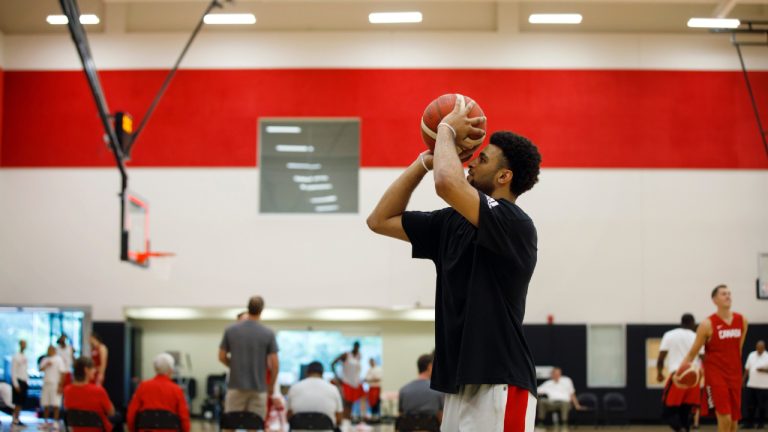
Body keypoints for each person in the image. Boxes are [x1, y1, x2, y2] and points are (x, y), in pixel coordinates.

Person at [367, 97, 541, 432]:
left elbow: (448, 184)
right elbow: (380, 219)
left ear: (504, 176)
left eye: (483, 159)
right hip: (459, 384)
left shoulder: (514, 223)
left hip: (502, 381)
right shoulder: (451, 222)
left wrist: (445, 130)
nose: (472, 163)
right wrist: (424, 161)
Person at [679, 284, 749, 432]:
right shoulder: (707, 324)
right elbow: (693, 353)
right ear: (714, 300)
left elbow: (739, 350)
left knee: (734, 422)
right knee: (725, 418)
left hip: (735, 375)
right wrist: (679, 372)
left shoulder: (742, 320)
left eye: (729, 293)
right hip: (716, 376)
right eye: (723, 294)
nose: (728, 296)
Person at [219, 295, 279, 422]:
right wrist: (271, 386)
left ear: (248, 308)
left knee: (231, 425)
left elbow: (222, 356)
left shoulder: (231, 330)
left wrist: (233, 365)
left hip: (235, 386)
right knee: (255, 425)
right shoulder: (268, 333)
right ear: (262, 310)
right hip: (259, 388)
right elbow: (275, 364)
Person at [657, 313, 701, 432]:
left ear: (681, 322)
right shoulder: (696, 336)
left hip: (678, 377)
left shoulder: (670, 335)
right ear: (692, 323)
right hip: (693, 379)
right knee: (685, 413)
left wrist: (659, 373)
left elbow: (661, 358)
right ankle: (684, 428)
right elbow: (703, 358)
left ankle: (680, 429)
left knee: (667, 413)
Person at [127, 353, 190, 432]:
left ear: (155, 369)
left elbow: (131, 415)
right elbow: (184, 418)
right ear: (171, 369)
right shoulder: (177, 390)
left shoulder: (143, 387)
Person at [63, 357, 115, 432]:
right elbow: (111, 412)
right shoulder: (98, 391)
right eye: (93, 368)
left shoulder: (67, 390)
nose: (95, 370)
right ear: (86, 370)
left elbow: (67, 410)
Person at [286, 361, 343, 429]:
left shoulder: (294, 388)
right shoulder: (333, 389)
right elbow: (339, 419)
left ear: (307, 372)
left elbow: (288, 417)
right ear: (322, 373)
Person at [398, 354, 444, 422]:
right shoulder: (437, 390)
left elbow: (401, 415)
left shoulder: (403, 390)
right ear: (430, 367)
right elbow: (441, 417)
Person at [331, 341, 364, 421]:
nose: (357, 348)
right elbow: (333, 364)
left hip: (355, 383)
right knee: (345, 404)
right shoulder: (346, 355)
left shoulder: (359, 356)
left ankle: (348, 421)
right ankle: (344, 421)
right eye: (356, 347)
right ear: (353, 346)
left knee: (351, 404)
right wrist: (337, 377)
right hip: (346, 382)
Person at [39, 345, 67, 429]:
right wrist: (46, 365)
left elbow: (63, 373)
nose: (49, 351)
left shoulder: (59, 359)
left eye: (50, 349)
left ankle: (55, 422)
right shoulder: (45, 359)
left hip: (55, 384)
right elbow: (40, 369)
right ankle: (45, 421)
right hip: (46, 383)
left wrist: (61, 385)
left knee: (56, 404)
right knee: (46, 404)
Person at [744, 340, 768, 429]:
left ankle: (761, 424)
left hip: (764, 386)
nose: (759, 349)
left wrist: (764, 370)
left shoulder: (767, 356)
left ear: (764, 347)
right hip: (751, 384)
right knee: (750, 405)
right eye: (758, 348)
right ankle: (749, 423)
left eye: (761, 348)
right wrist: (743, 381)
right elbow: (747, 369)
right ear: (756, 347)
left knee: (762, 406)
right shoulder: (751, 355)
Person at [11, 339, 28, 428]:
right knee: (17, 402)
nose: (24, 346)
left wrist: (27, 380)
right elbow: (13, 371)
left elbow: (25, 370)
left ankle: (18, 418)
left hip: (24, 381)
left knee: (21, 402)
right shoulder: (16, 357)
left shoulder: (24, 356)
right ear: (20, 345)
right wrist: (15, 384)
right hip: (18, 381)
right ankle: (14, 419)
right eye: (23, 344)